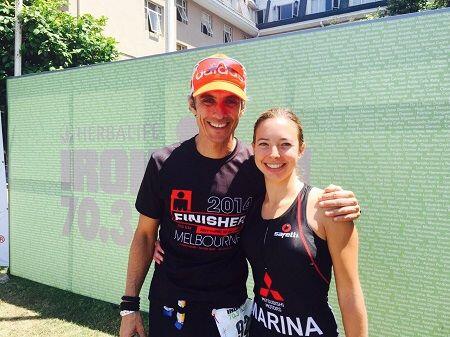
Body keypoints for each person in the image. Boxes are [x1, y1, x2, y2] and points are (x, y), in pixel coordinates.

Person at [119, 54, 362, 337]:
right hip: (171, 305)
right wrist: (129, 305)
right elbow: (145, 235)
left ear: (242, 108)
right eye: (208, 99)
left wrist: (340, 202)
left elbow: (291, 195)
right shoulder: (164, 163)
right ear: (192, 104)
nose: (219, 113)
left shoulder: (255, 164)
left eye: (230, 101)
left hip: (229, 309)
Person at [241, 108, 367, 337]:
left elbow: (349, 294)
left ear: (301, 149)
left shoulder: (327, 208)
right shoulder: (250, 206)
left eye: (285, 144)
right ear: (253, 149)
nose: (274, 154)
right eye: (263, 144)